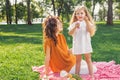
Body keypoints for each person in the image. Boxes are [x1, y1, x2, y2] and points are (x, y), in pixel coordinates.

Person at [68, 5, 96, 78]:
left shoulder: (87, 23)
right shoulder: (74, 24)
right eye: (77, 13)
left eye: (81, 13)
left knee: (88, 60)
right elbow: (70, 33)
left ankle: (92, 75)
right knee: (78, 61)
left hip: (86, 44)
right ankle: (77, 76)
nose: (79, 15)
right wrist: (75, 27)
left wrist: (87, 21)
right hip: (77, 45)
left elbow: (91, 31)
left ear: (85, 14)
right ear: (75, 15)